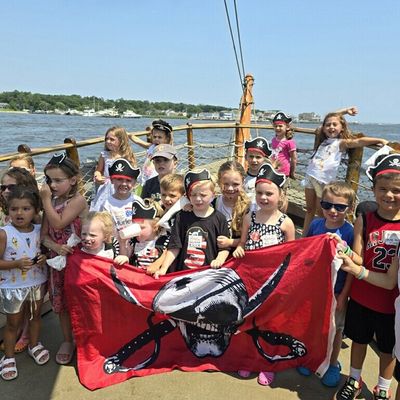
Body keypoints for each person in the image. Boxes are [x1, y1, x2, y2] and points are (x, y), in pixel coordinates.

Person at [334, 153, 400, 400]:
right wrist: (344, 251)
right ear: (373, 190)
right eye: (382, 189)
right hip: (363, 296)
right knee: (359, 340)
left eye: (396, 190)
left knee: (388, 349)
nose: (389, 195)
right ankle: (354, 379)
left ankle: (383, 388)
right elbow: (359, 257)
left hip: (392, 303)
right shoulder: (365, 218)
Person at [233, 163, 295, 386]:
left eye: (269, 193)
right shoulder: (249, 217)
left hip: (273, 282)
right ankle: (249, 358)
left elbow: (291, 254)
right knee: (249, 321)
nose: (263, 198)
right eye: (259, 193)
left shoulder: (285, 223)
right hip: (250, 280)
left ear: (280, 195)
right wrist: (239, 249)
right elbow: (242, 244)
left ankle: (268, 363)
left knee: (270, 324)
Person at [296, 181, 356, 387]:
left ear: (350, 209)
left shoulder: (349, 232)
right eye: (327, 205)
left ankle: (332, 363)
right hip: (315, 290)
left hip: (337, 290)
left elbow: (352, 268)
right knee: (313, 325)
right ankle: (312, 357)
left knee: (336, 330)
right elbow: (304, 251)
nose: (332, 210)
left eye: (340, 207)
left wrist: (344, 295)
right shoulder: (315, 225)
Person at [302, 107, 388, 235]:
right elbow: (332, 116)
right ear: (323, 128)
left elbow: (359, 141)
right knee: (309, 209)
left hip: (323, 181)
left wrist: (380, 140)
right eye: (328, 125)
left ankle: (319, 238)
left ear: (342, 127)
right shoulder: (321, 139)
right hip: (310, 176)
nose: (331, 127)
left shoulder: (340, 143)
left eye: (335, 124)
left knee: (322, 212)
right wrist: (346, 111)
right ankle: (304, 236)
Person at [40, 153, 88, 365]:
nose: (52, 185)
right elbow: (44, 235)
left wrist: (44, 201)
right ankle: (68, 340)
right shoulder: (51, 202)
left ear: (73, 180)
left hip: (78, 261)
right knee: (62, 304)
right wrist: (56, 247)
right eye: (49, 180)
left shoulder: (78, 200)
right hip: (57, 261)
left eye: (58, 180)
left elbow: (58, 223)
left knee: (80, 302)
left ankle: (85, 339)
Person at [0, 187, 49, 380]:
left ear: (36, 210)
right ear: (8, 210)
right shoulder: (4, 233)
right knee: (13, 324)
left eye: (26, 208)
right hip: (13, 288)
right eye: (14, 209)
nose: (19, 213)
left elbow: (45, 251)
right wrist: (16, 264)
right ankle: (8, 357)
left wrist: (44, 258)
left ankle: (34, 345)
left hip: (37, 282)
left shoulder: (40, 230)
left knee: (35, 317)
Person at [150, 169, 230, 277]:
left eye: (203, 195)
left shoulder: (219, 218)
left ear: (213, 194)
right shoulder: (182, 217)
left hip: (208, 274)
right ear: (188, 196)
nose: (198, 199)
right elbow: (174, 247)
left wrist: (219, 259)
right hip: (184, 274)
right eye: (193, 195)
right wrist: (164, 268)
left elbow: (224, 248)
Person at [91, 126, 137, 211]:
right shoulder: (104, 155)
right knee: (103, 209)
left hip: (121, 186)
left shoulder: (127, 156)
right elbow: (98, 170)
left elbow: (133, 173)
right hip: (106, 188)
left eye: (112, 139)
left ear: (121, 141)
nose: (108, 141)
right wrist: (97, 176)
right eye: (106, 139)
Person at [214, 160, 251, 249]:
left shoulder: (250, 206)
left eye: (235, 184)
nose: (230, 188)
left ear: (243, 182)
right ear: (219, 182)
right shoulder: (214, 204)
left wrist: (230, 242)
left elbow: (254, 237)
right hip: (219, 252)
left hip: (241, 252)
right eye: (225, 184)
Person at [130, 119, 173, 185]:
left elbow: (171, 141)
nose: (156, 139)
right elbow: (138, 141)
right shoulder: (152, 146)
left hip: (156, 178)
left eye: (160, 137)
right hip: (146, 176)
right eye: (154, 137)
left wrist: (168, 130)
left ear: (166, 139)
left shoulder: (165, 149)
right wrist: (128, 135)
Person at [243, 137, 272, 206]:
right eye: (251, 156)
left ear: (265, 159)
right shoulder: (242, 178)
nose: (254, 160)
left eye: (258, 157)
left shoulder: (269, 179)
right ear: (246, 157)